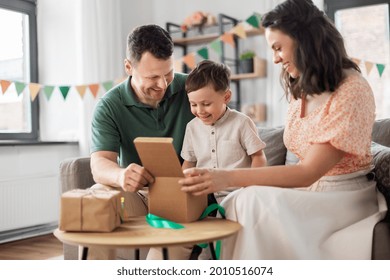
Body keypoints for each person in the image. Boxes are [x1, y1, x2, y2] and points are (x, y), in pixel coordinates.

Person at [178, 0, 387, 259]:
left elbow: (308, 172)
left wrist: (225, 177)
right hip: (310, 193)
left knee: (250, 200)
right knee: (244, 200)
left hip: (343, 196)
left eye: (278, 48)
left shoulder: (352, 89)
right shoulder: (302, 89)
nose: (275, 58)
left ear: (304, 40)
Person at [89, 24, 194, 259]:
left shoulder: (193, 88)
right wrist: (121, 175)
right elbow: (99, 166)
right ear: (128, 67)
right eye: (152, 77)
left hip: (183, 197)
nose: (163, 84)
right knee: (97, 199)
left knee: (168, 243)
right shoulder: (109, 106)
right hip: (137, 195)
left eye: (168, 73)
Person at [181, 59, 267, 203]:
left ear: (226, 97)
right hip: (204, 196)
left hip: (238, 194)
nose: (200, 111)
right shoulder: (191, 127)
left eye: (206, 104)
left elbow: (258, 156)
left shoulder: (242, 122)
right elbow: (189, 163)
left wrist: (251, 186)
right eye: (193, 104)